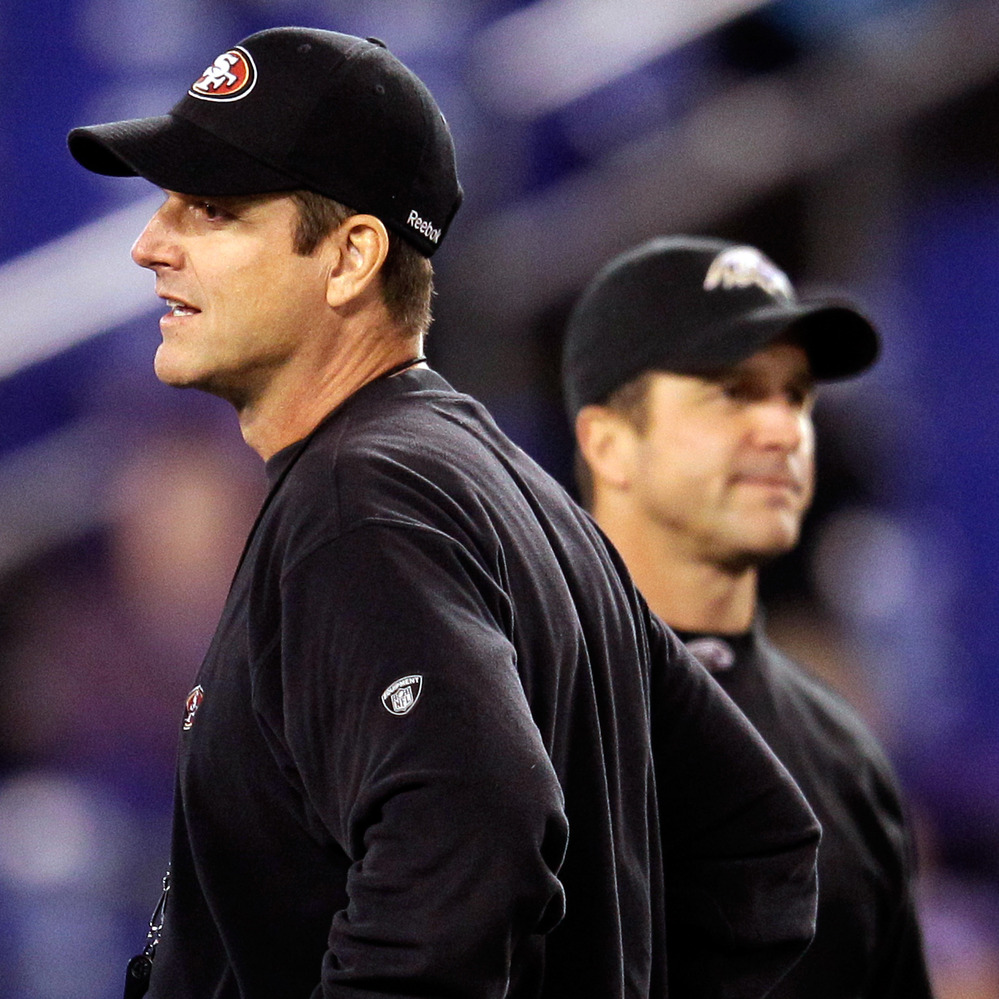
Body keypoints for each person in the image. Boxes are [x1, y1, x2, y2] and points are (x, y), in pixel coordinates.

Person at [68, 31, 820, 999]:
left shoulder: (361, 506)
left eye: (210, 210)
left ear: (350, 259)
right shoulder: (513, 487)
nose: (150, 245)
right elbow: (758, 843)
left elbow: (478, 828)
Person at [562, 234, 936, 999]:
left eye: (794, 393)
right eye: (733, 390)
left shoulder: (844, 756)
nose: (782, 429)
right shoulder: (513, 717)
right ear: (608, 444)